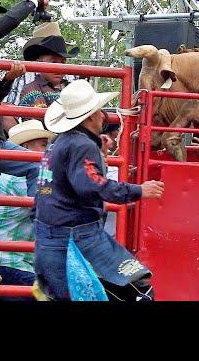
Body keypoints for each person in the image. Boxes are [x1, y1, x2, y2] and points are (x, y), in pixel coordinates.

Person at [33, 79, 165, 301]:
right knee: (139, 295)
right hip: (77, 238)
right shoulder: (81, 146)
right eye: (99, 111)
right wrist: (139, 190)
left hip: (50, 237)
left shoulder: (59, 143)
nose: (103, 115)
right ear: (91, 116)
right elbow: (91, 185)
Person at [0, 0, 49, 286]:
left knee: (35, 165)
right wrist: (32, 1)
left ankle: (39, 224)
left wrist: (6, 79)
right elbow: (5, 25)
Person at [0, 120, 54, 300]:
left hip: (2, 259)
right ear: (25, 148)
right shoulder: (18, 178)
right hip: (5, 260)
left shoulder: (15, 176)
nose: (48, 151)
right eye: (44, 145)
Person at [2, 22, 78, 131]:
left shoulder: (72, 78)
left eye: (62, 62)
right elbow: (7, 112)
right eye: (53, 61)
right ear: (39, 60)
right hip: (36, 134)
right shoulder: (23, 75)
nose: (59, 67)